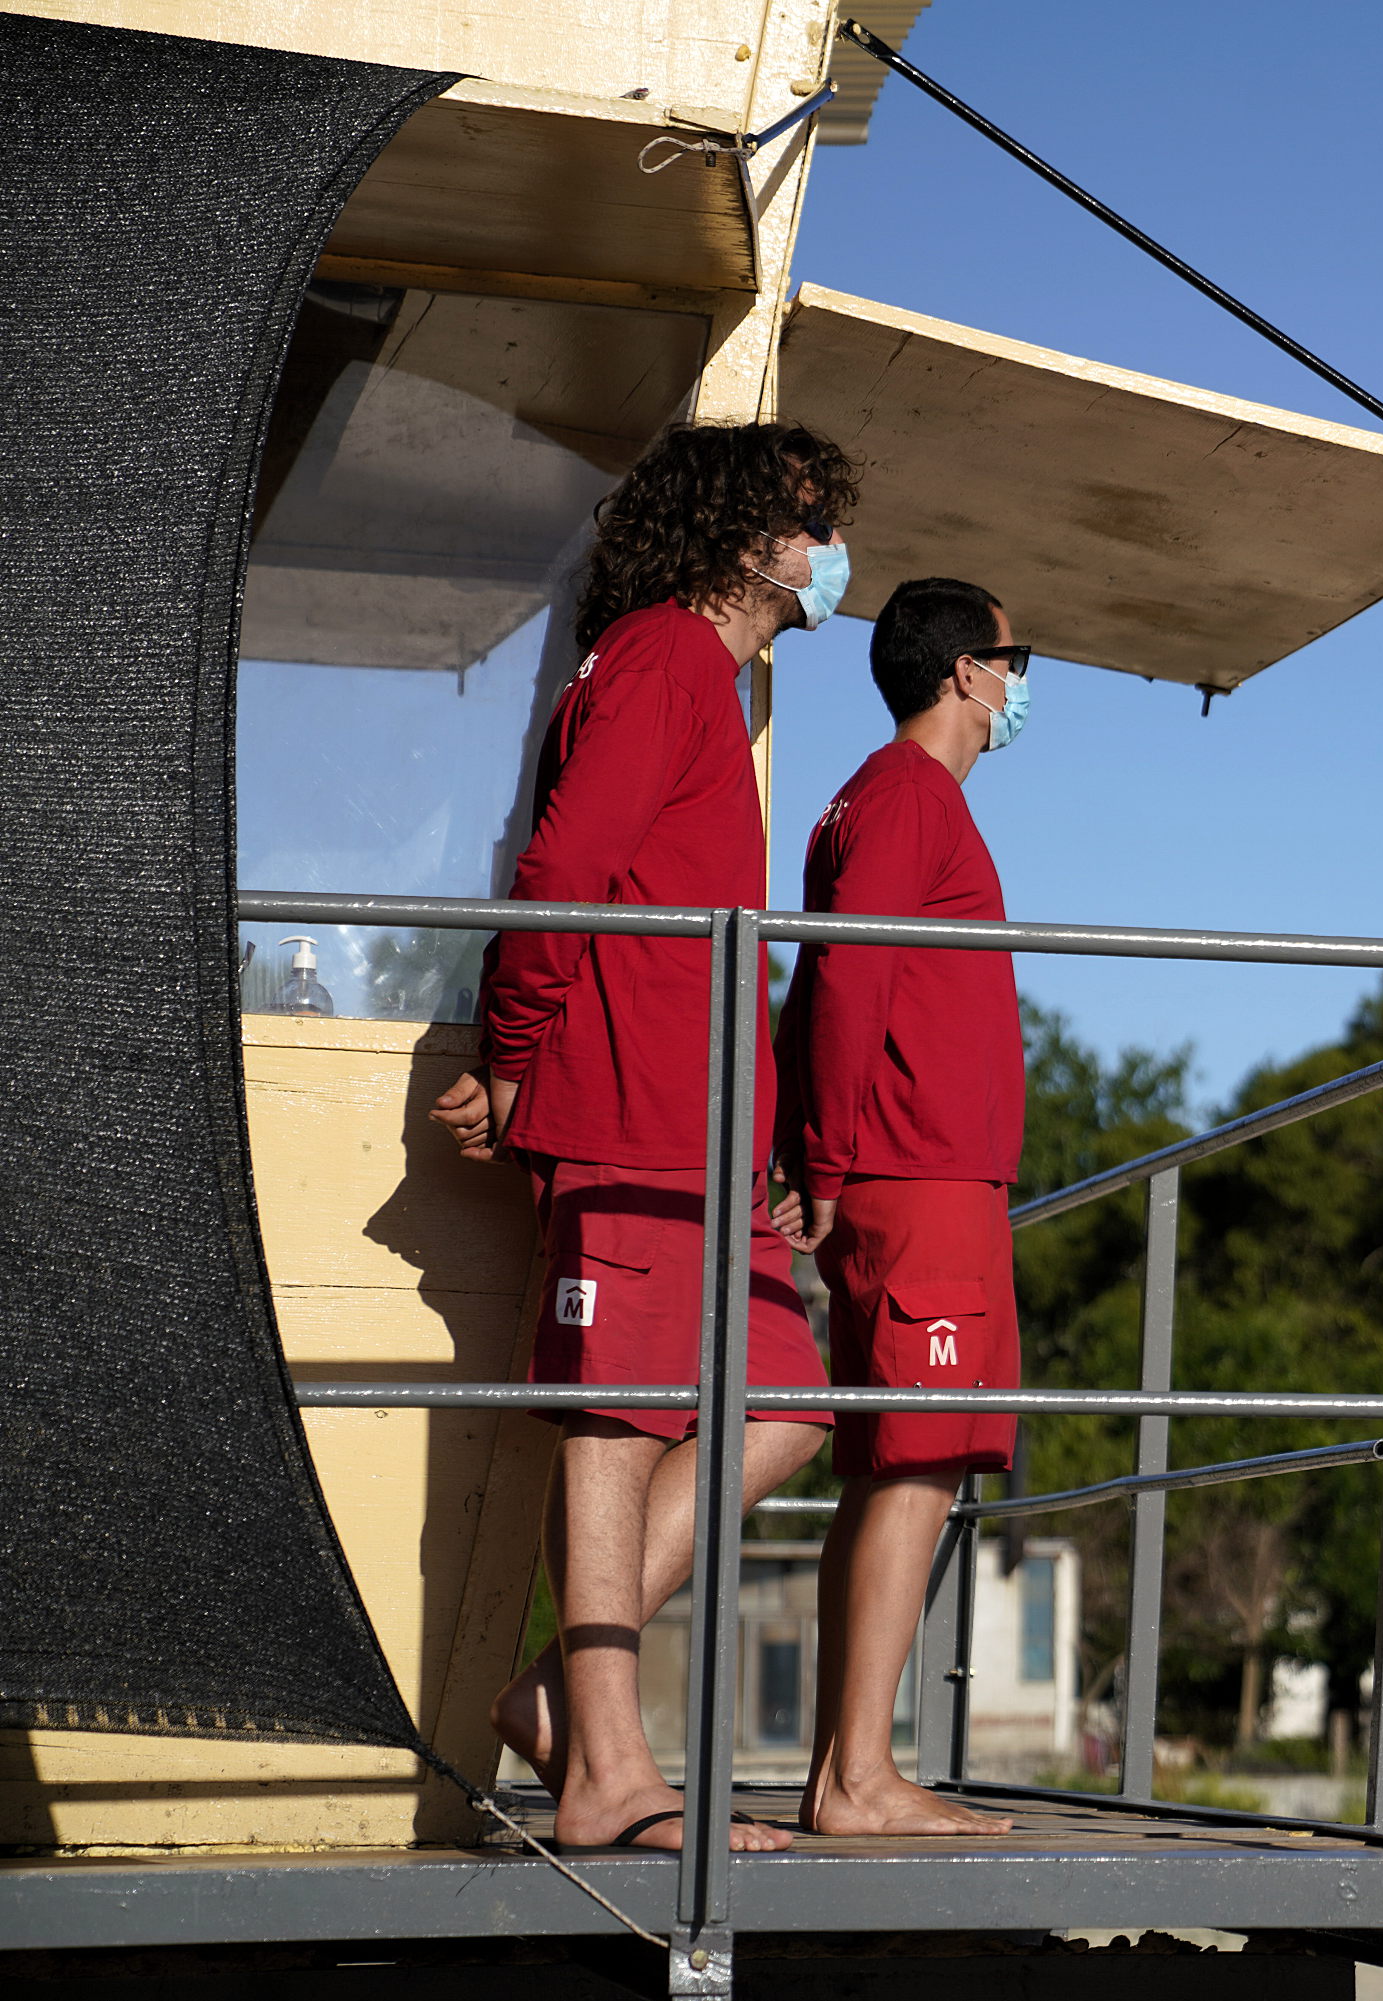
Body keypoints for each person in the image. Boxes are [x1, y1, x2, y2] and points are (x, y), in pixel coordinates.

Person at [426, 421, 860, 1853]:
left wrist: (780, 1133)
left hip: (710, 1131)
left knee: (787, 1402)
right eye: (808, 517)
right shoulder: (666, 659)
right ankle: (610, 1772)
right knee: (615, 1423)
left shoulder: (709, 684)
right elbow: (562, 872)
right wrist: (514, 1050)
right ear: (744, 533)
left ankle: (561, 1697)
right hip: (631, 1113)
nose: (827, 546)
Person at [771, 576, 1029, 1836]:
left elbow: (822, 976)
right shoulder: (906, 797)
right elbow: (846, 981)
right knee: (916, 1462)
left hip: (925, 1173)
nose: (1023, 686)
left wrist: (808, 1151)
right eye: (1014, 658)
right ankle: (858, 1780)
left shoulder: (884, 800)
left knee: (902, 1466)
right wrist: (818, 1161)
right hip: (915, 1176)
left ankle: (851, 1770)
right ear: (966, 673)